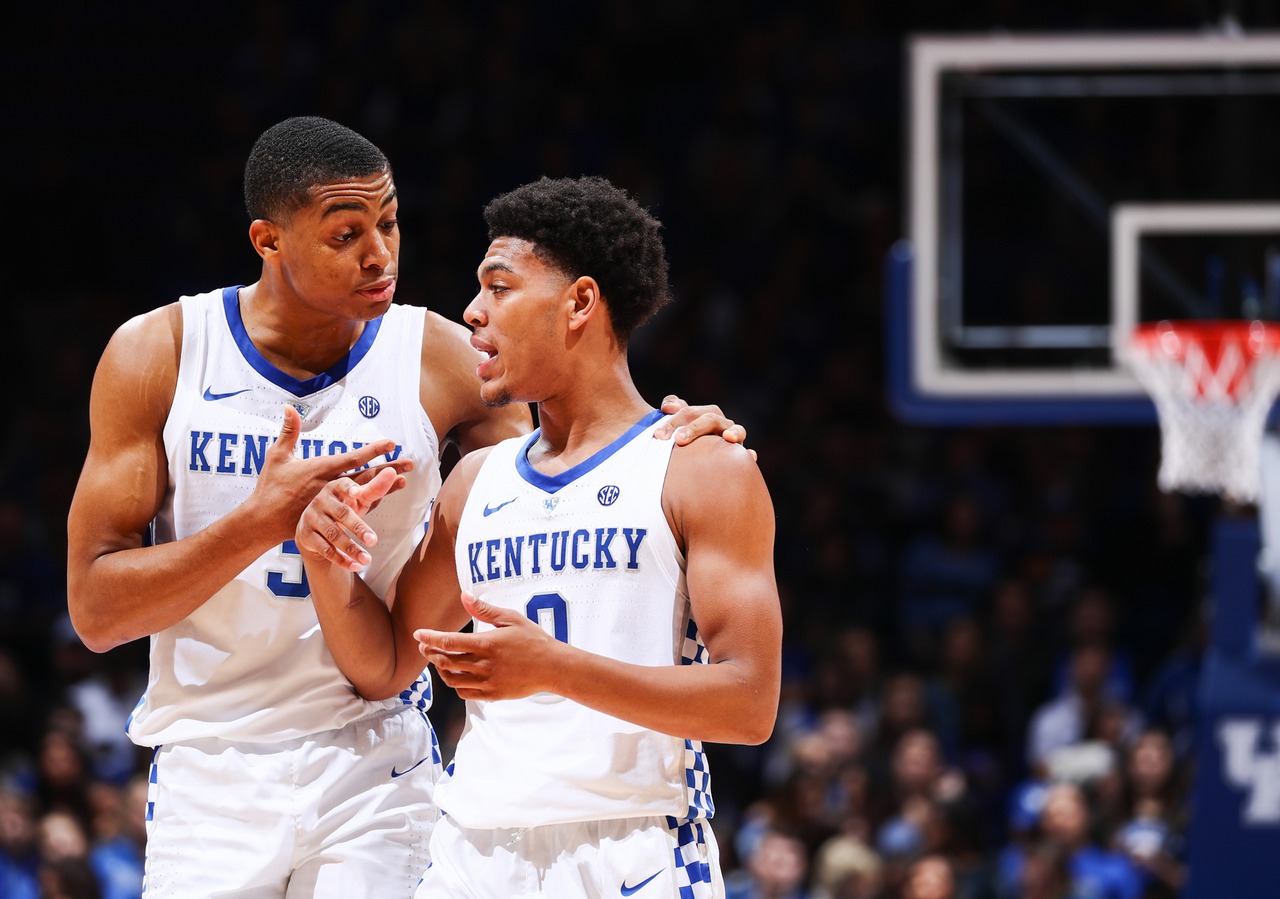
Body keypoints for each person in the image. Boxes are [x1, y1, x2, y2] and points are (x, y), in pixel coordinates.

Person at [66, 118, 745, 898]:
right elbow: (97, 613)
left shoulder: (444, 358)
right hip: (210, 760)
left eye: (389, 222)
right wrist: (262, 518)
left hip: (375, 751)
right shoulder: (160, 353)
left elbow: (558, 460)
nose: (380, 253)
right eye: (347, 233)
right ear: (269, 239)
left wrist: (679, 434)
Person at [294, 175, 782, 897]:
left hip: (634, 844)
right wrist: (326, 559)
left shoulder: (701, 466)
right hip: (475, 852)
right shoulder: (475, 482)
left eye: (500, 287)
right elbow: (387, 663)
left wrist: (555, 667)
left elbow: (749, 703)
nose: (473, 312)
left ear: (580, 302)